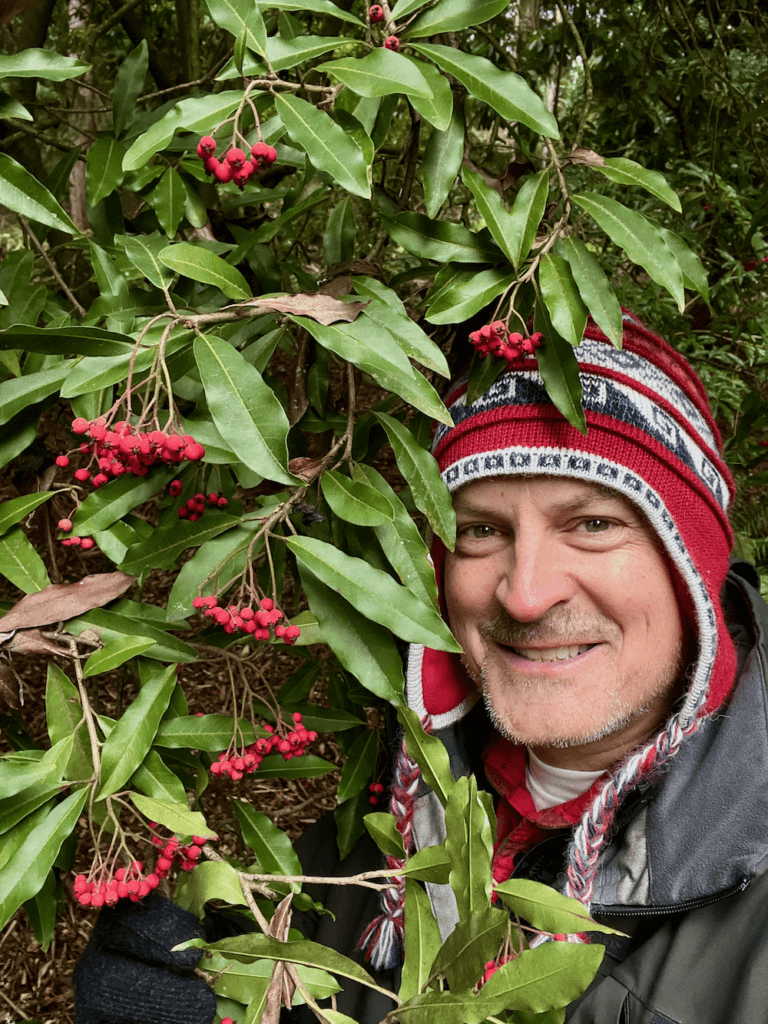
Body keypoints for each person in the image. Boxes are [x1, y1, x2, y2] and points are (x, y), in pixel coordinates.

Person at [74, 312, 768, 1024]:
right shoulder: (375, 840)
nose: (525, 593)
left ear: (693, 566)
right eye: (479, 531)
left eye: (593, 524)